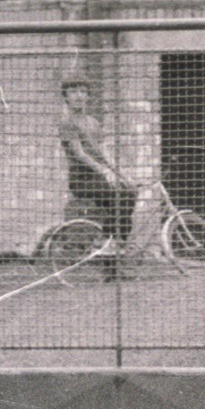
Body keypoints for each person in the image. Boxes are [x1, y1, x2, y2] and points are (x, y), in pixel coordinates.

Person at [58, 80, 136, 271]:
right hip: (82, 179)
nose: (79, 96)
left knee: (128, 197)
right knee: (121, 198)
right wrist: (105, 171)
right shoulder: (67, 123)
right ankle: (104, 242)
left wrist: (123, 175)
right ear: (66, 97)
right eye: (73, 92)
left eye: (83, 92)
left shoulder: (93, 122)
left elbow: (104, 152)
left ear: (88, 96)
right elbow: (79, 154)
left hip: (99, 178)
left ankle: (112, 265)